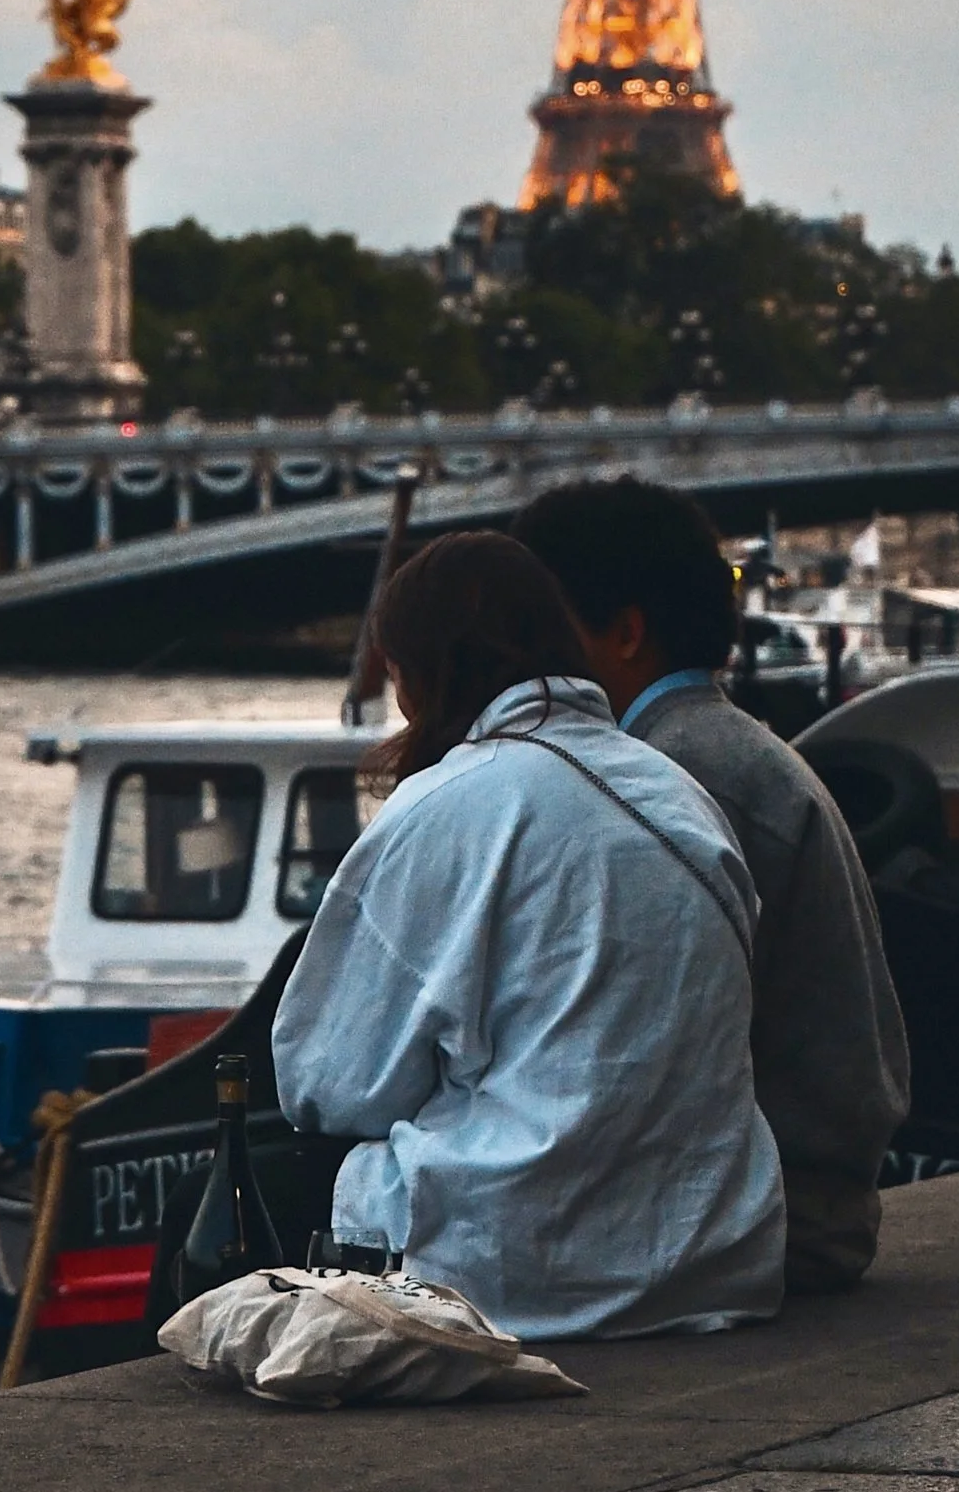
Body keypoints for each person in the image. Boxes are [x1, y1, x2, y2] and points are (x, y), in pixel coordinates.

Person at [272, 530, 783, 1343]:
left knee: (275, 1164)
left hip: (510, 1273)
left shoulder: (446, 804)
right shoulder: (680, 794)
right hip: (709, 1263)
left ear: (422, 673)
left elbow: (326, 1083)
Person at [509, 479, 909, 1296]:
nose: (516, 663)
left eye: (538, 633)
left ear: (624, 634)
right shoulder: (726, 750)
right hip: (804, 1197)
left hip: (759, 1219)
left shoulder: (664, 787)